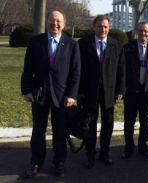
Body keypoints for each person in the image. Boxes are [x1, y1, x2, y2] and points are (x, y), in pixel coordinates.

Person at [20, 10, 80, 178]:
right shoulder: (35, 42)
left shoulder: (71, 44)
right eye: (52, 21)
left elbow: (75, 73)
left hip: (62, 96)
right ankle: (36, 162)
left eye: (59, 21)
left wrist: (71, 95)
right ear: (47, 22)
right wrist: (26, 91)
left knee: (60, 131)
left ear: (64, 24)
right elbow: (28, 69)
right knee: (38, 130)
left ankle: (59, 162)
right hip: (39, 95)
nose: (55, 24)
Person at [77, 15, 126, 168]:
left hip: (109, 92)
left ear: (108, 28)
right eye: (100, 26)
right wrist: (79, 90)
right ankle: (90, 154)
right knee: (90, 124)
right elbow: (77, 70)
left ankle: (105, 153)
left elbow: (122, 70)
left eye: (105, 27)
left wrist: (120, 90)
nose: (103, 29)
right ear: (94, 27)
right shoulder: (83, 44)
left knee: (108, 124)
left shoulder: (116, 45)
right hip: (89, 92)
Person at [121, 22, 148, 159]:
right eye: (140, 31)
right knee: (129, 121)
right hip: (131, 91)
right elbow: (122, 71)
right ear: (136, 32)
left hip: (147, 92)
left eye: (146, 31)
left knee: (145, 122)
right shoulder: (127, 48)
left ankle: (143, 146)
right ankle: (128, 147)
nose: (143, 33)